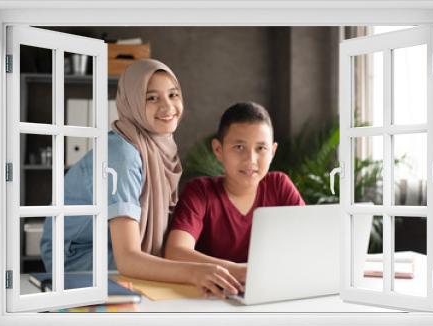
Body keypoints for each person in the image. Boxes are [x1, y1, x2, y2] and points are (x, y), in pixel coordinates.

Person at [40, 59, 243, 299]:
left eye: (173, 94)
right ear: (133, 102)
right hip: (78, 261)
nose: (168, 107)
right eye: (152, 98)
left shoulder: (158, 147)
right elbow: (128, 258)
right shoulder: (122, 154)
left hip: (114, 253)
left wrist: (228, 269)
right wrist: (196, 272)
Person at [164, 101, 305, 285]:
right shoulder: (200, 192)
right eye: (239, 147)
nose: (250, 160)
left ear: (273, 151)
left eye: (261, 148)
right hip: (210, 299)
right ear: (218, 150)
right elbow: (175, 252)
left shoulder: (279, 186)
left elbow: (308, 243)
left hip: (269, 293)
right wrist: (238, 271)